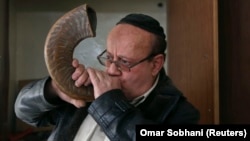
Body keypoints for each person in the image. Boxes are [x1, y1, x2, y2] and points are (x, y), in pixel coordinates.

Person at [14, 13, 200, 141]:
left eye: (124, 62)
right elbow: (24, 113)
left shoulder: (182, 114)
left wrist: (109, 103)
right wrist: (55, 90)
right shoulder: (88, 89)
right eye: (109, 58)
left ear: (156, 64)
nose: (111, 70)